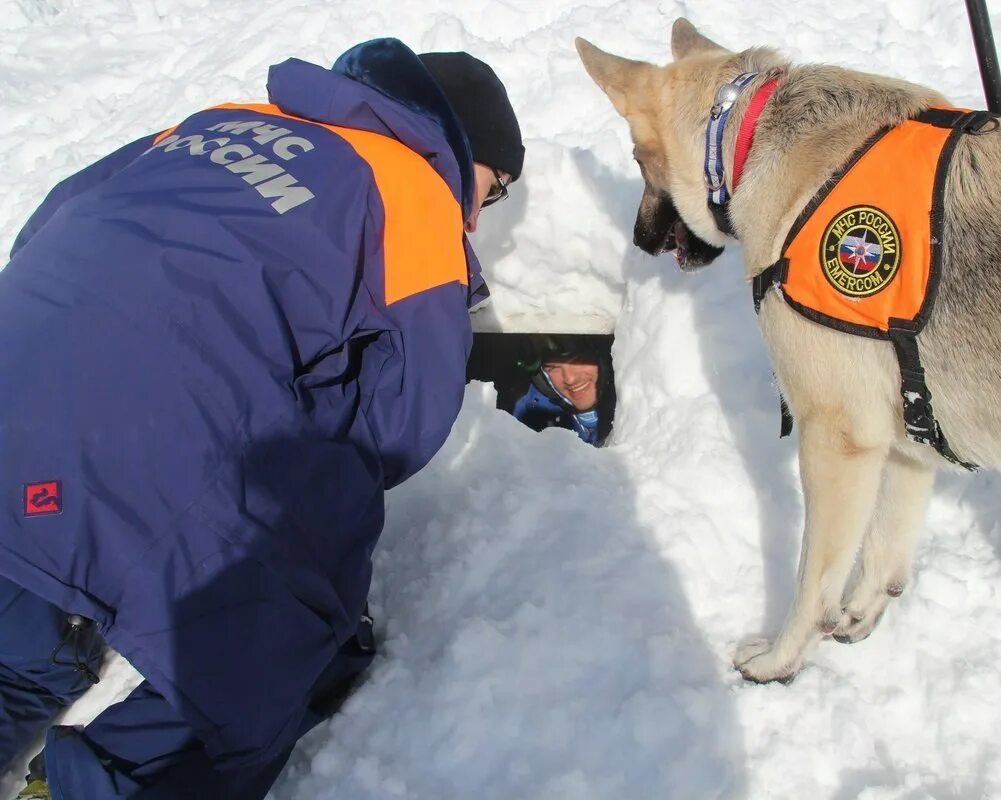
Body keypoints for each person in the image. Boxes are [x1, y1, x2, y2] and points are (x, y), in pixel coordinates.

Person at [0, 36, 523, 800]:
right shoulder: (410, 187)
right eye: (494, 186)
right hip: (147, 456)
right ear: (462, 146)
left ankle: (36, 652)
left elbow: (46, 225)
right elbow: (403, 421)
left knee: (21, 627)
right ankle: (104, 784)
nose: (481, 212)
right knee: (292, 630)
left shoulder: (211, 123)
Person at [497, 335, 615, 447]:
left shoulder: (630, 401)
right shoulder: (528, 420)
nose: (570, 379)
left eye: (578, 360)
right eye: (552, 368)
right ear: (542, 377)